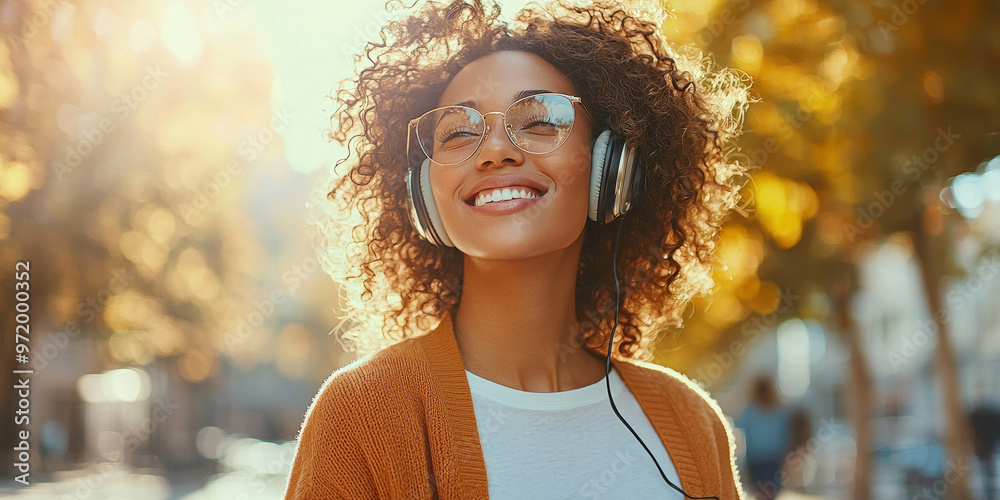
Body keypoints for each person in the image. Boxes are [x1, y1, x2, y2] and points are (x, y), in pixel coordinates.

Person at [284, 0, 751, 498]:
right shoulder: (363, 414)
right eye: (460, 132)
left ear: (611, 166)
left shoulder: (691, 421)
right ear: (423, 191)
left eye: (540, 121)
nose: (496, 151)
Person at [735, 374, 792, 500]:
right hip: (773, 461)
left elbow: (744, 437)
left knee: (760, 494)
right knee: (771, 493)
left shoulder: (749, 410)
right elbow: (785, 436)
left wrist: (744, 465)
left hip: (755, 461)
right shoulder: (779, 410)